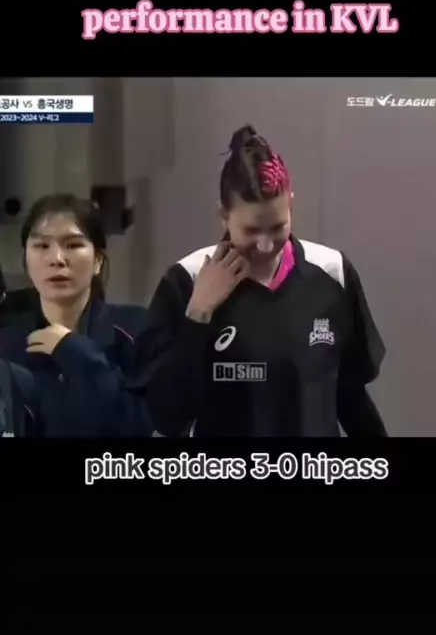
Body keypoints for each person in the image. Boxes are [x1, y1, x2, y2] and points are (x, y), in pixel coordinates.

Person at [135, 125, 388, 437]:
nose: (266, 245)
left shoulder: (332, 272)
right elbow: (167, 417)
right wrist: (198, 314)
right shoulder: (186, 281)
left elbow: (350, 396)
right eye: (252, 231)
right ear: (223, 216)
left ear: (291, 204)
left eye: (277, 227)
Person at [0, 194, 152, 437]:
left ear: (98, 261)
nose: (57, 260)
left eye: (72, 245)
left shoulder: (136, 330)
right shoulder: (7, 344)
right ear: (26, 262)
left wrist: (79, 355)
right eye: (42, 246)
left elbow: (142, 425)